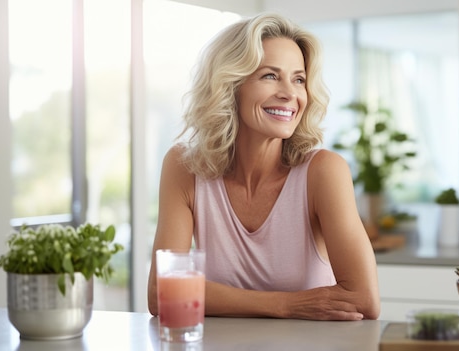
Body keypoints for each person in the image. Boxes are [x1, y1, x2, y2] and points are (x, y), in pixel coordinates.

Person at [147, 13, 380, 321]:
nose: (290, 94)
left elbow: (364, 301)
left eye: (298, 79)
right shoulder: (185, 168)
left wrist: (213, 296)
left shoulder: (323, 171)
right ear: (231, 85)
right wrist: (286, 306)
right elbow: (162, 295)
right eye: (270, 76)